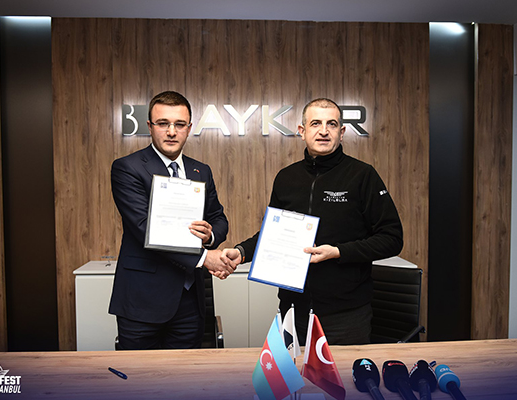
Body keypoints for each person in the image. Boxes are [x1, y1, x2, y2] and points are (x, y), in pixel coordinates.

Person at [223, 98, 403, 345]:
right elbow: (272, 235)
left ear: (341, 132)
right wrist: (241, 252)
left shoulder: (363, 175)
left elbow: (392, 239)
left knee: (342, 372)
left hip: (345, 315)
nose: (323, 131)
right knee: (290, 372)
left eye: (332, 124)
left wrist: (338, 252)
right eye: (316, 123)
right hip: (292, 311)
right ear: (302, 131)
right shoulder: (286, 178)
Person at [109, 90, 235, 350]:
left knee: (186, 374)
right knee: (139, 374)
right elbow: (145, 229)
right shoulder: (128, 168)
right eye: (163, 123)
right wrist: (205, 258)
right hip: (142, 300)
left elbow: (218, 217)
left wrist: (209, 235)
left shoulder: (201, 171)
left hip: (190, 302)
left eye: (179, 124)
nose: (171, 132)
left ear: (189, 128)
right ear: (149, 126)